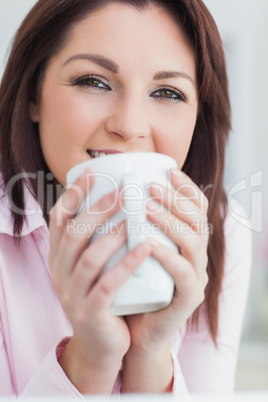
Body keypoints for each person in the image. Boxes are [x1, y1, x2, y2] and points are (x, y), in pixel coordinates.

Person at [0, 0, 252, 397]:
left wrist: (150, 353)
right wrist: (89, 359)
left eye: (167, 92)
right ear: (34, 95)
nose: (130, 125)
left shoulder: (221, 230)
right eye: (93, 81)